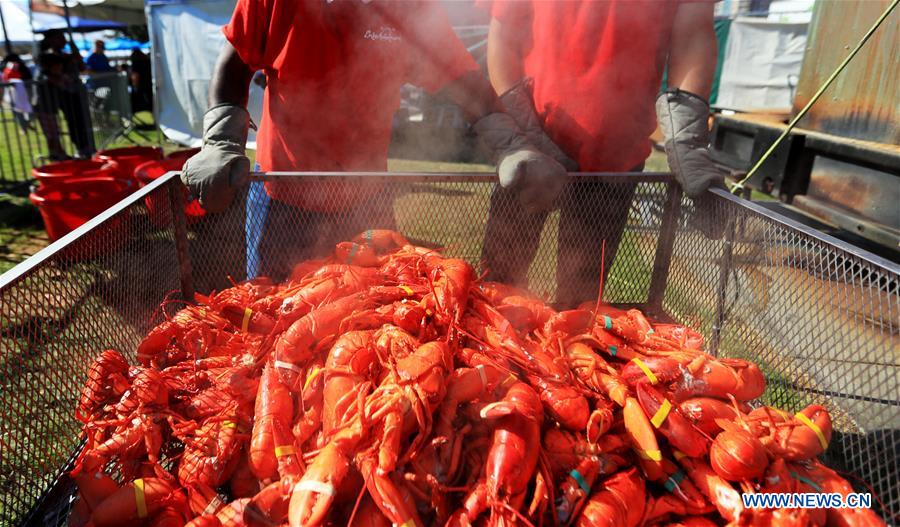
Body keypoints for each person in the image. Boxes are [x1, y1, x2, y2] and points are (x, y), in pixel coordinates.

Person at [181, 0, 566, 282]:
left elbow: (468, 88)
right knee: (272, 309)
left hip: (368, 202)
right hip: (282, 198)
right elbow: (235, 62)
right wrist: (220, 141)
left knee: (377, 313)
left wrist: (511, 144)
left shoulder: (410, 10)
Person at [479, 1, 725, 307]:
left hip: (616, 162)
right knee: (496, 290)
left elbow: (694, 34)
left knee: (580, 302)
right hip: (531, 153)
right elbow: (503, 35)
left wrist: (686, 138)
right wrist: (524, 133)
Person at [35, 29, 94, 159]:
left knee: (77, 122)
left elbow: (82, 67)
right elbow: (53, 73)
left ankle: (82, 148)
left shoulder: (65, 55)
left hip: (70, 94)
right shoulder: (47, 56)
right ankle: (59, 153)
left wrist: (75, 53)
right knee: (53, 129)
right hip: (54, 98)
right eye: (60, 38)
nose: (64, 41)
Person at [2, 54, 34, 133]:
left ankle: (25, 124)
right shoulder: (10, 67)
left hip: (22, 89)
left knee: (24, 108)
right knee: (20, 109)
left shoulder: (15, 67)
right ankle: (24, 125)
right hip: (16, 90)